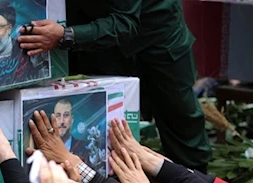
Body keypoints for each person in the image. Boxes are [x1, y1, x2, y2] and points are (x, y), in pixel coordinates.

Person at [17, 1, 213, 172]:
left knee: (180, 120)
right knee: (108, 129)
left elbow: (125, 22)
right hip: (97, 39)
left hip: (157, 37)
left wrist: (67, 35)